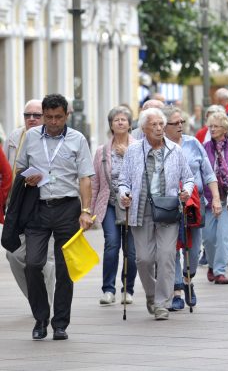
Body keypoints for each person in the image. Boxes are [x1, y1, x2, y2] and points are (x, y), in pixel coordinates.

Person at [17, 94, 94, 340]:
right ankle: (40, 317)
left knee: (64, 268)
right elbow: (19, 169)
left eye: (58, 117)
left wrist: (86, 211)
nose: (52, 122)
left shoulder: (77, 139)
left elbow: (85, 178)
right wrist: (27, 177)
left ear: (66, 115)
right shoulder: (30, 137)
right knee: (33, 264)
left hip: (67, 207)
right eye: (48, 117)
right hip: (37, 208)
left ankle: (60, 323)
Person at [118, 108, 194, 321]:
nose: (160, 128)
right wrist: (123, 194)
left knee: (166, 256)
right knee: (143, 259)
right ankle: (151, 295)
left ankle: (162, 303)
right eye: (154, 125)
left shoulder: (175, 150)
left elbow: (188, 177)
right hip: (141, 211)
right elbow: (123, 180)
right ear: (144, 128)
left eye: (162, 124)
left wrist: (186, 191)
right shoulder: (134, 151)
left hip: (168, 211)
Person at [163, 106, 220, 310]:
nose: (180, 126)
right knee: (171, 248)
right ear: (164, 126)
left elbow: (208, 173)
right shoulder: (160, 146)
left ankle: (188, 280)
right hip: (169, 204)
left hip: (195, 203)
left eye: (181, 122)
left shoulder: (193, 143)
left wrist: (216, 198)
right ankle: (177, 290)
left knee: (193, 250)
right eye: (175, 123)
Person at [4, 99, 55, 305]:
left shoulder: (54, 138)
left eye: (36, 115)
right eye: (28, 115)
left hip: (48, 205)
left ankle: (48, 307)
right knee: (14, 255)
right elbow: (7, 171)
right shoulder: (15, 137)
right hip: (19, 206)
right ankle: (36, 300)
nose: (32, 119)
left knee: (46, 261)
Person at [91, 106, 137, 306]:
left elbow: (142, 177)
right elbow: (94, 183)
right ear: (110, 124)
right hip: (109, 203)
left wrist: (128, 154)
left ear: (129, 124)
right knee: (111, 245)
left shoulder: (138, 147)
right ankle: (108, 290)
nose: (120, 122)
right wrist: (90, 211)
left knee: (132, 250)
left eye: (123, 119)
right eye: (116, 119)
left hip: (132, 204)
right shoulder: (102, 151)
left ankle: (128, 289)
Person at [202, 113, 228, 285]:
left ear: (225, 129)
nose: (213, 129)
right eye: (211, 126)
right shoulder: (203, 148)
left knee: (224, 236)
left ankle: (219, 271)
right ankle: (211, 265)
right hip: (209, 200)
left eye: (216, 126)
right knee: (209, 238)